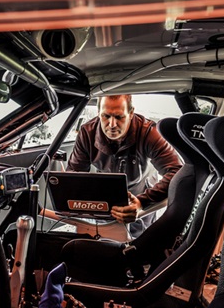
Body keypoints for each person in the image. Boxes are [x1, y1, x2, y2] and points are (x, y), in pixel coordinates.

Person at [67, 94, 182, 237]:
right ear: (98, 113)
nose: (112, 124)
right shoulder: (87, 133)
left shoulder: (149, 132)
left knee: (136, 249)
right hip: (104, 205)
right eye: (106, 116)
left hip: (141, 202)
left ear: (131, 113)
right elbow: (74, 175)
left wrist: (141, 203)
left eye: (119, 117)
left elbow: (177, 171)